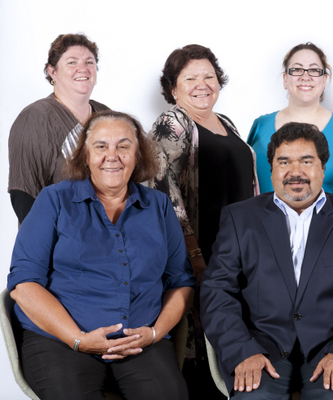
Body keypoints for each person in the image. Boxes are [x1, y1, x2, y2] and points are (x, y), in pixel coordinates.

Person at [7, 111, 196, 400]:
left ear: (138, 156)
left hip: (139, 341)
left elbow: (181, 281)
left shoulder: (158, 205)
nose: (112, 155)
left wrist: (155, 334)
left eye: (123, 146)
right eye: (101, 146)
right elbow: (23, 285)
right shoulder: (53, 200)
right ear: (85, 155)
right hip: (59, 340)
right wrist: (78, 339)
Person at [200, 122, 333, 399]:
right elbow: (217, 292)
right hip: (260, 348)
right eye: (284, 162)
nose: (296, 172)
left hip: (332, 348)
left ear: (322, 167)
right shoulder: (239, 217)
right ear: (271, 169)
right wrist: (243, 351)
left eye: (306, 161)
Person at [148, 44, 258, 399]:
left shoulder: (226, 123)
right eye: (190, 77)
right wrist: (193, 252)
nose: (202, 84)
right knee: (203, 345)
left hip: (240, 253)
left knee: (239, 338)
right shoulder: (173, 122)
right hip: (202, 251)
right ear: (173, 88)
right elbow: (163, 191)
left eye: (209, 76)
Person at [247, 42, 333, 205]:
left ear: (324, 79)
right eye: (297, 69)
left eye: (314, 70)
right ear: (285, 79)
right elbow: (248, 184)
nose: (305, 76)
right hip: (263, 228)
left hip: (329, 229)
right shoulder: (260, 126)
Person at [8, 33, 110, 225]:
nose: (83, 69)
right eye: (72, 62)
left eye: (89, 62)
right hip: (61, 240)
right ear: (53, 72)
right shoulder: (36, 117)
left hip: (106, 236)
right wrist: (41, 243)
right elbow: (23, 193)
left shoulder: (105, 114)